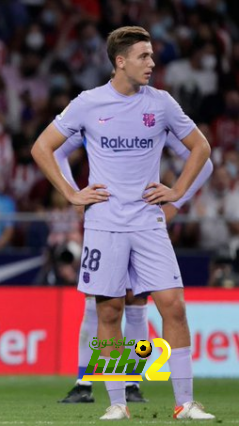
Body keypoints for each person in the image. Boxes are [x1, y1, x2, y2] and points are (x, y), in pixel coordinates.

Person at [31, 26, 215, 420]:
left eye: (151, 56)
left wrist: (176, 191)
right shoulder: (88, 103)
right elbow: (41, 147)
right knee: (108, 312)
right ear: (121, 61)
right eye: (144, 56)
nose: (151, 63)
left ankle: (185, 404)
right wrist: (71, 193)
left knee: (174, 307)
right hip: (105, 225)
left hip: (148, 222)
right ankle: (117, 404)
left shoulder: (162, 103)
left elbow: (201, 147)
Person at [56, 132, 213, 404]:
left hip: (141, 223)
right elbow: (53, 150)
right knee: (100, 303)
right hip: (106, 221)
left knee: (135, 304)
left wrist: (174, 203)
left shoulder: (153, 113)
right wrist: (73, 194)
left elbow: (204, 161)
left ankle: (126, 381)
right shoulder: (94, 110)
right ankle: (91, 380)